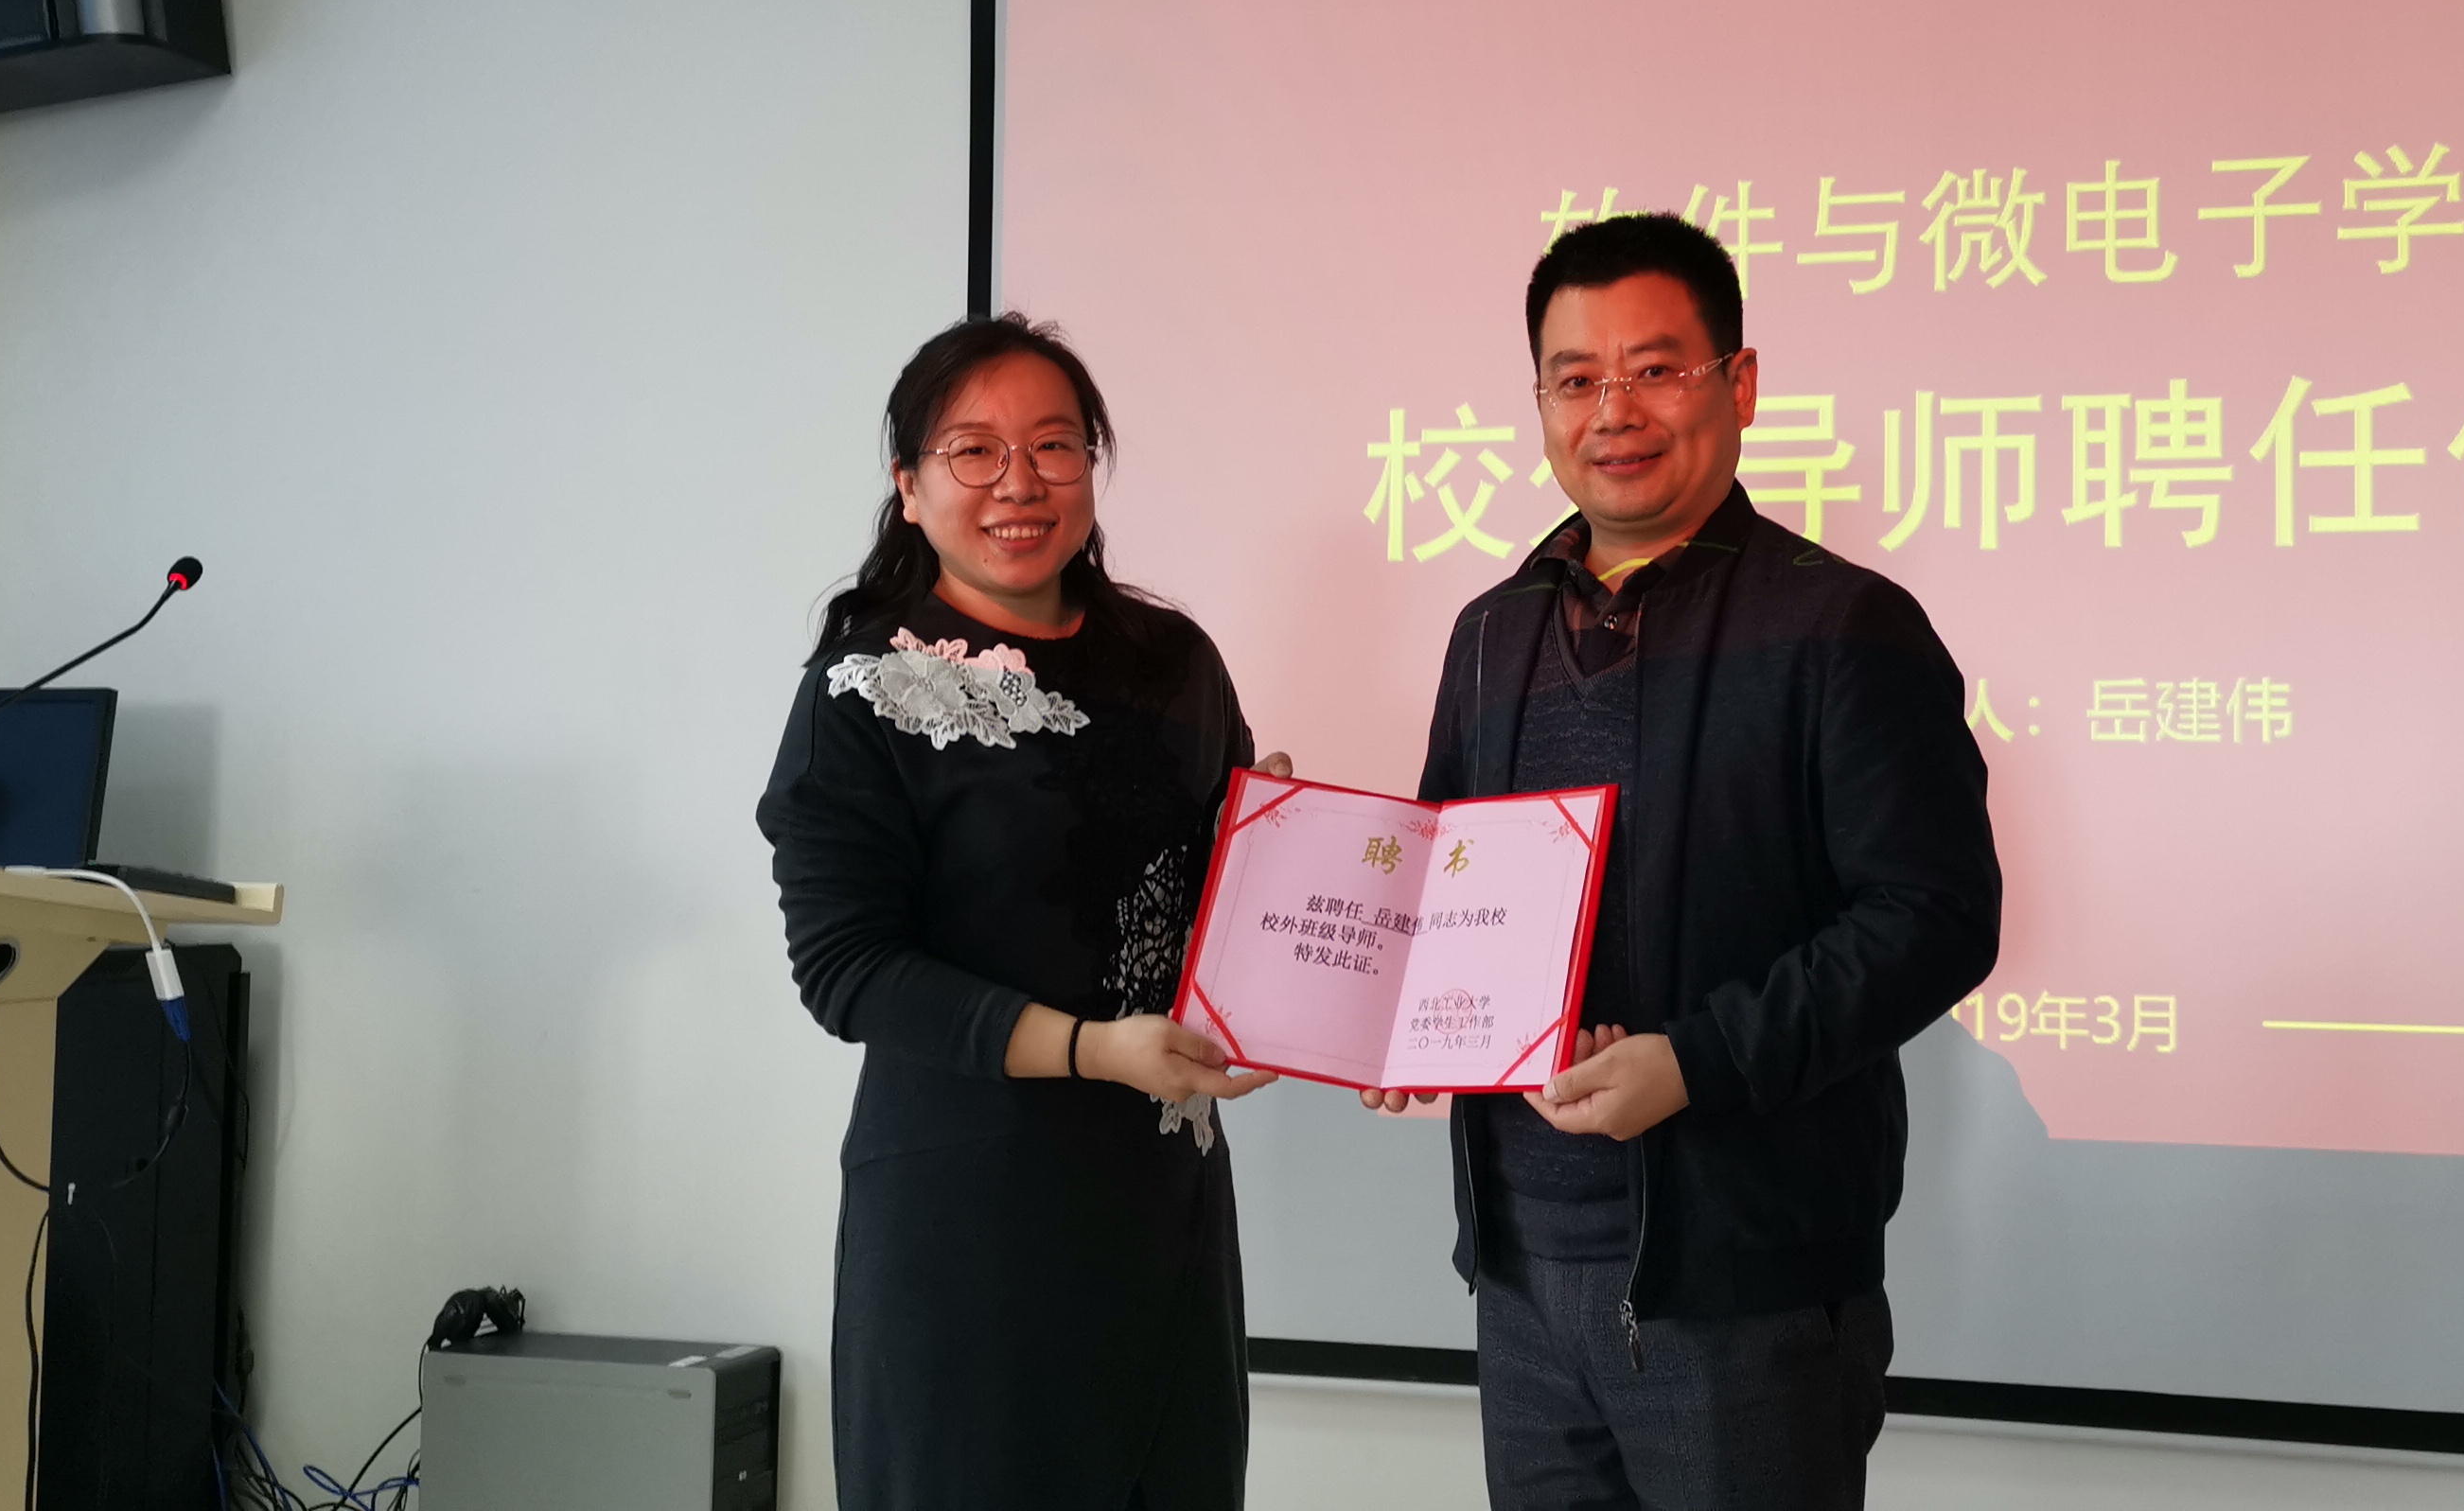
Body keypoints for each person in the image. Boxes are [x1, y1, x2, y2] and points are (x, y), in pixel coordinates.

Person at [1361, 215, 2002, 1510]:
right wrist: (1382, 1003)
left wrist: (1695, 1062)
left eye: (1657, 369)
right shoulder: (1490, 633)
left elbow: (1936, 915)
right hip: (1524, 1275)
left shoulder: (1843, 626)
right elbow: (1444, 884)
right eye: (1576, 378)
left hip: (1744, 1296)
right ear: (1541, 402)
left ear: (1740, 384)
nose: (1615, 410)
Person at [758, 314, 1280, 1511]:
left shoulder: (1173, 660)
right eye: (974, 451)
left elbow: (1223, 888)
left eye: (1054, 446)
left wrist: (1282, 853)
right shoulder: (862, 690)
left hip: (1162, 1205)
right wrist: (1094, 1049)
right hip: (968, 1217)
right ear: (908, 483)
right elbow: (848, 968)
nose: (1020, 482)